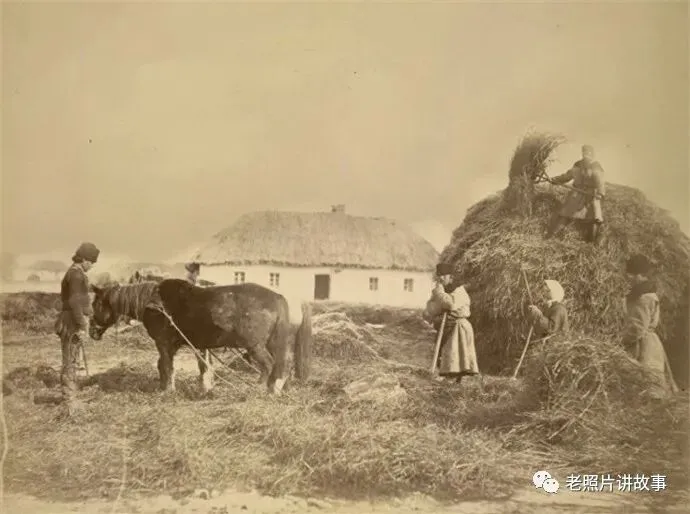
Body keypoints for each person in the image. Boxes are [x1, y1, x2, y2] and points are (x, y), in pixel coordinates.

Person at [622, 254, 678, 397]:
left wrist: (621, 340)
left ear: (639, 275)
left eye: (630, 275)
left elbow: (638, 327)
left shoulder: (644, 298)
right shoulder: (641, 294)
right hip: (645, 341)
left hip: (643, 346)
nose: (628, 278)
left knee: (646, 383)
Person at [54, 242, 100, 415]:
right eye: (91, 262)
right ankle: (69, 401)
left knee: (74, 359)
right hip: (71, 322)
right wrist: (82, 324)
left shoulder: (77, 274)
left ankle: (71, 396)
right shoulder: (75, 275)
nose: (92, 265)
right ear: (84, 259)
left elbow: (80, 299)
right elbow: (74, 302)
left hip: (73, 320)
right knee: (70, 361)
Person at [423, 263, 479, 383]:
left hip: (459, 327)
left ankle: (455, 380)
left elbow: (450, 304)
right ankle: (449, 379)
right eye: (439, 275)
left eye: (444, 275)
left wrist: (439, 293)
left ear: (451, 277)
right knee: (446, 354)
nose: (441, 278)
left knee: (456, 355)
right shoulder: (442, 292)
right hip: (447, 327)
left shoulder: (459, 291)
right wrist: (434, 305)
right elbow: (431, 309)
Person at [546, 144, 606, 245]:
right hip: (576, 193)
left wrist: (600, 193)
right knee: (565, 214)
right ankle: (552, 236)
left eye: (588, 153)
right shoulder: (577, 165)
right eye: (584, 152)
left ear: (592, 154)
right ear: (582, 153)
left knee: (595, 217)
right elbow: (567, 176)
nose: (586, 155)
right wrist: (555, 180)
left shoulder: (596, 166)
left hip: (591, 195)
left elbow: (600, 182)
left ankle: (591, 242)